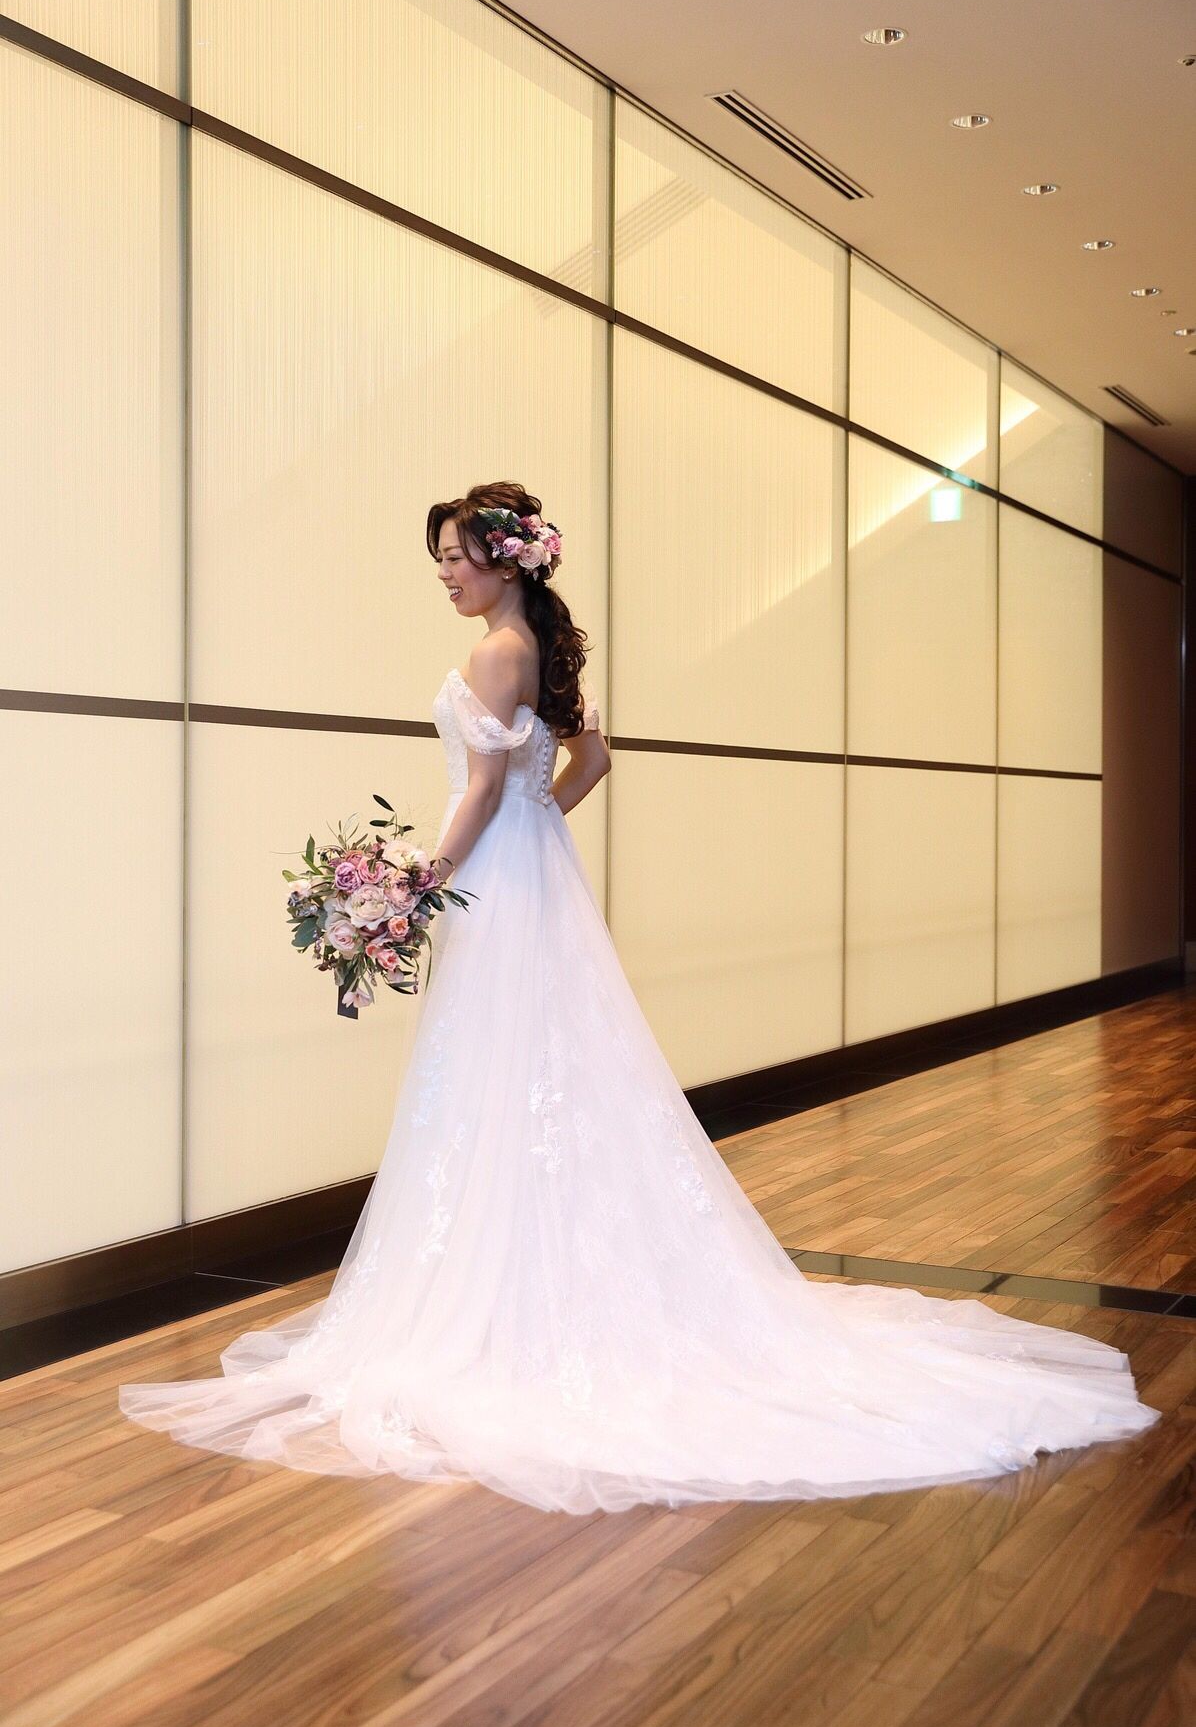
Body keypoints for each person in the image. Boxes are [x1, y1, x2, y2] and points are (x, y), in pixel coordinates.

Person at [118, 481, 1161, 1514]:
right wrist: (535, 827)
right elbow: (591, 762)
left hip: (498, 885)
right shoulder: (541, 647)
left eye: (455, 558)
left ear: (504, 559)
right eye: (437, 560)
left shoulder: (494, 653)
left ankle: (502, 1293)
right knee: (547, 1067)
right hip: (532, 878)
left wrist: (416, 887)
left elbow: (481, 788)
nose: (444, 575)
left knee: (495, 1071)